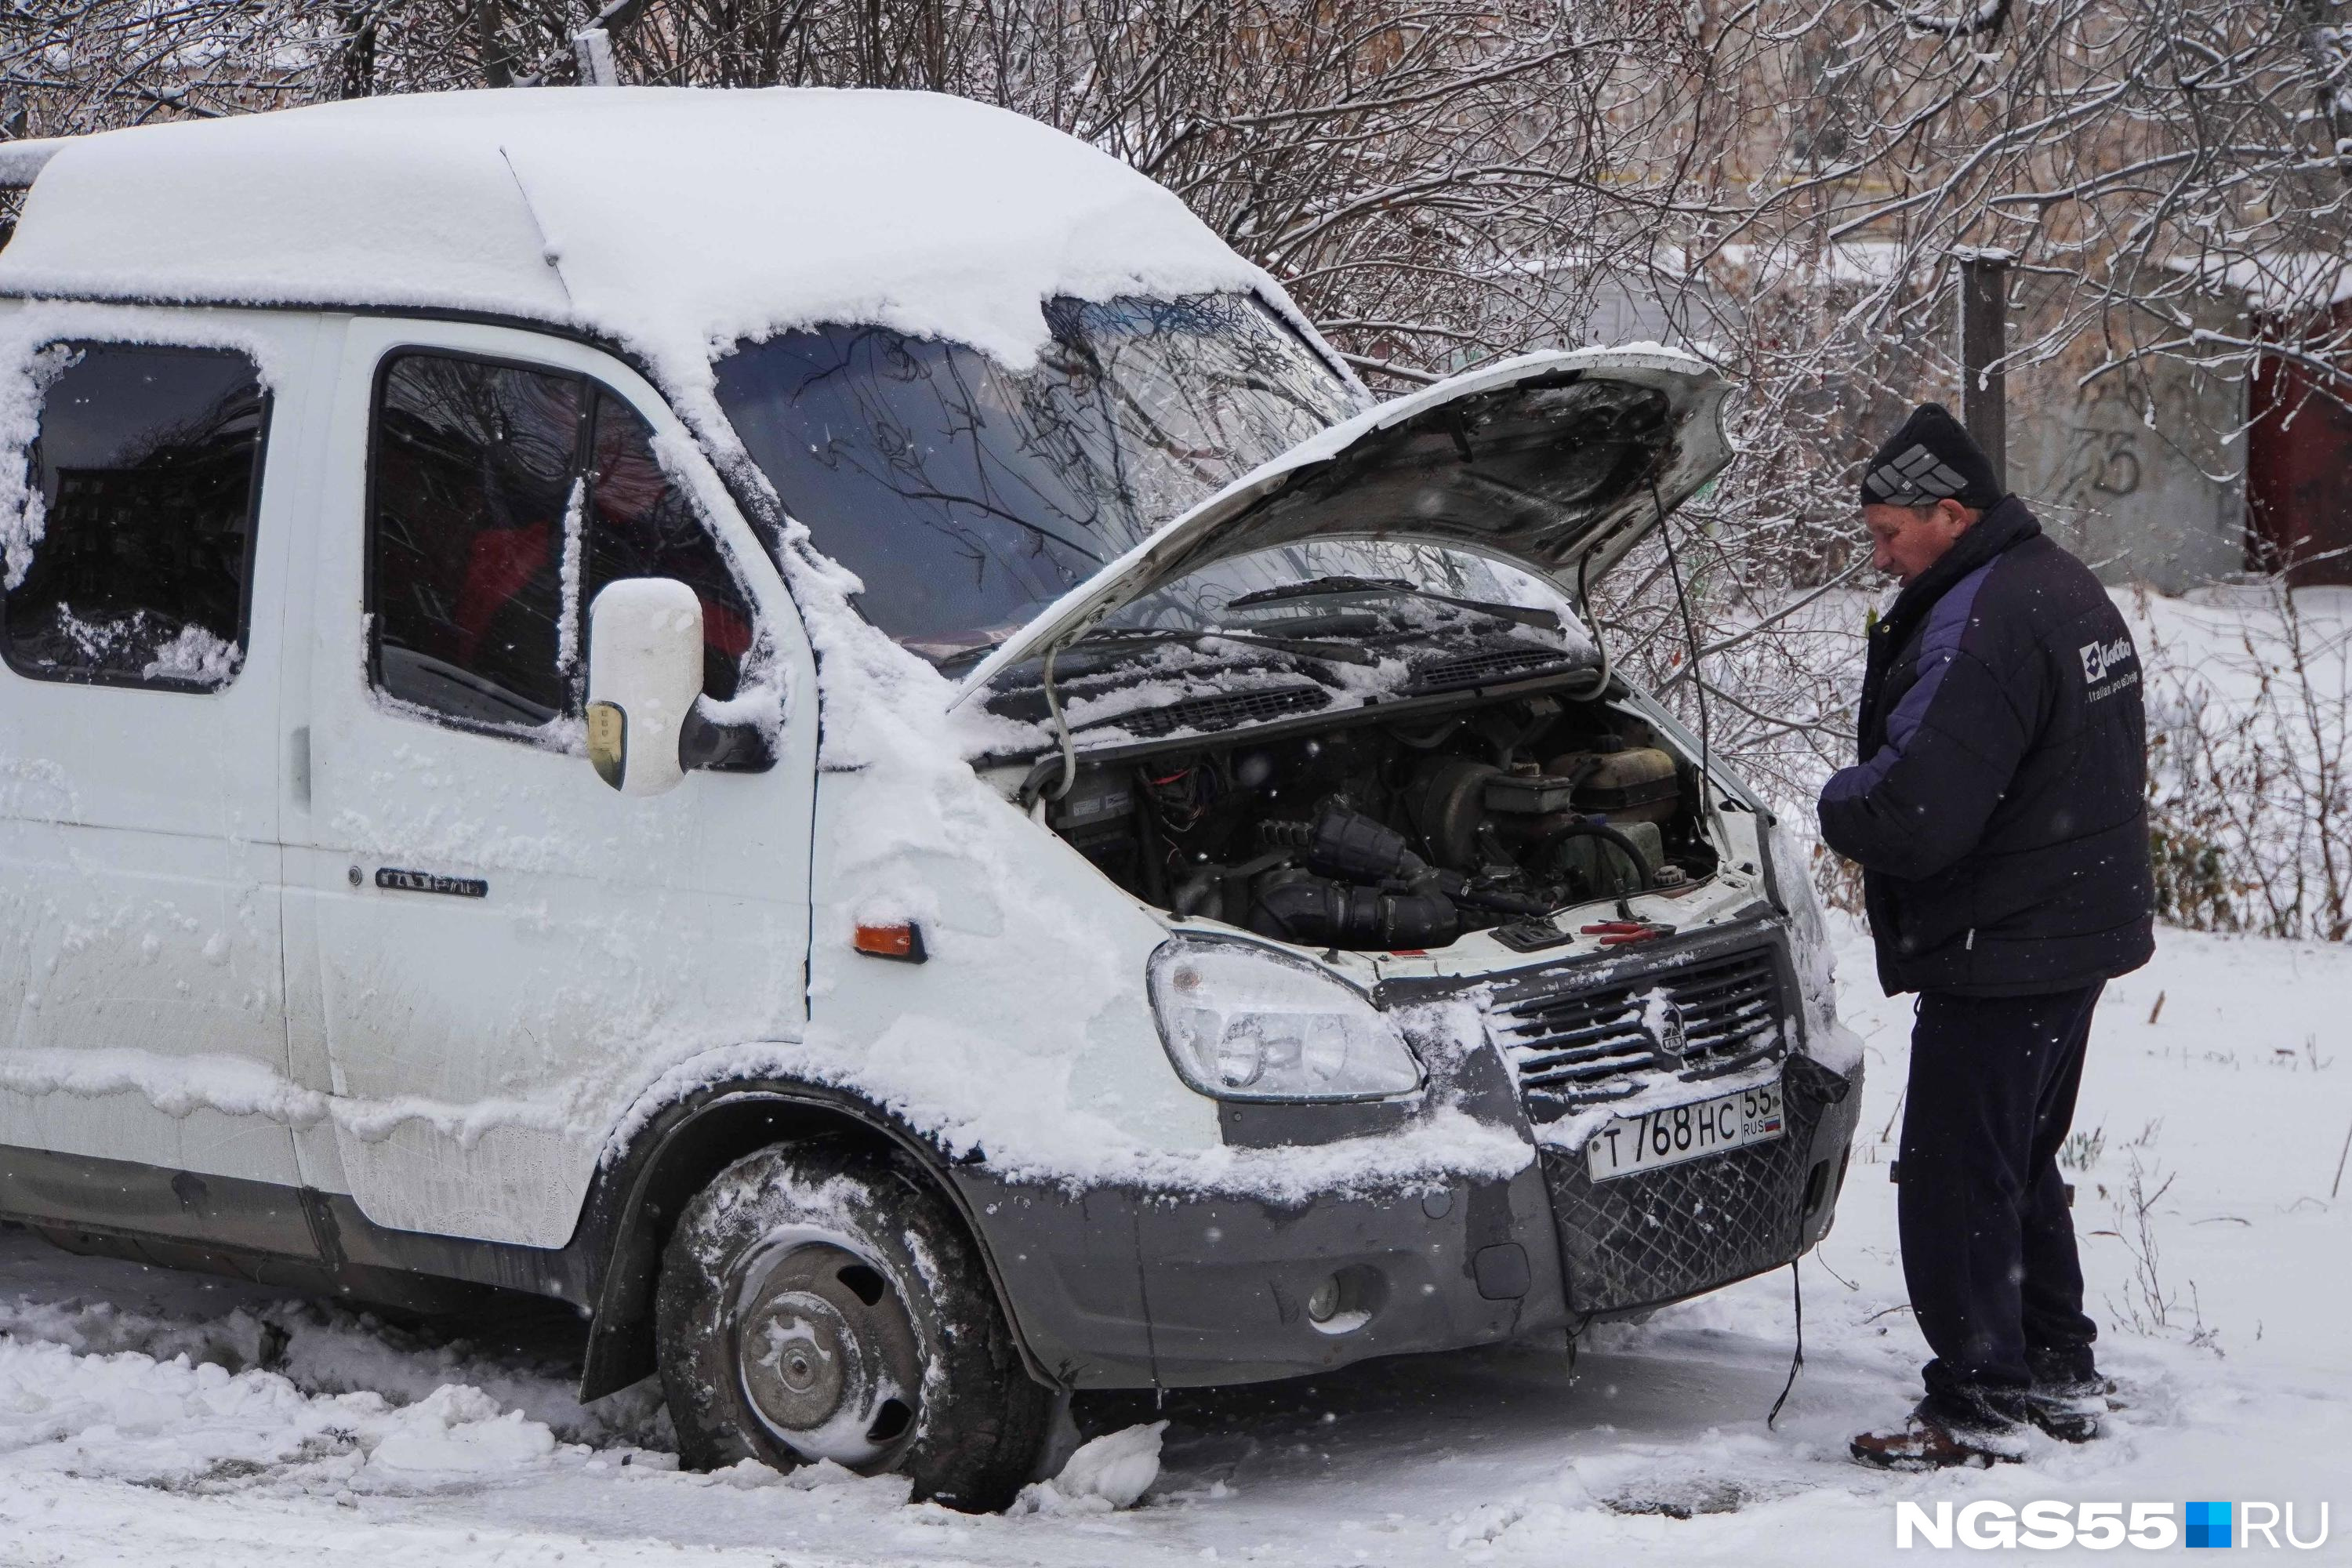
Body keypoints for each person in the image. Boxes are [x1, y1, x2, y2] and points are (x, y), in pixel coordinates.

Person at [1817, 403, 2154, 1470]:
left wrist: (1839, 803)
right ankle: (2054, 1366)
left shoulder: (1981, 621)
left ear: (1950, 513)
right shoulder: (2059, 583)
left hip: (2004, 940)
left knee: (1959, 1173)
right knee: (2016, 1158)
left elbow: (1915, 811)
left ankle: (1979, 1402)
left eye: (1888, 535)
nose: (1878, 558)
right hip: (2073, 921)